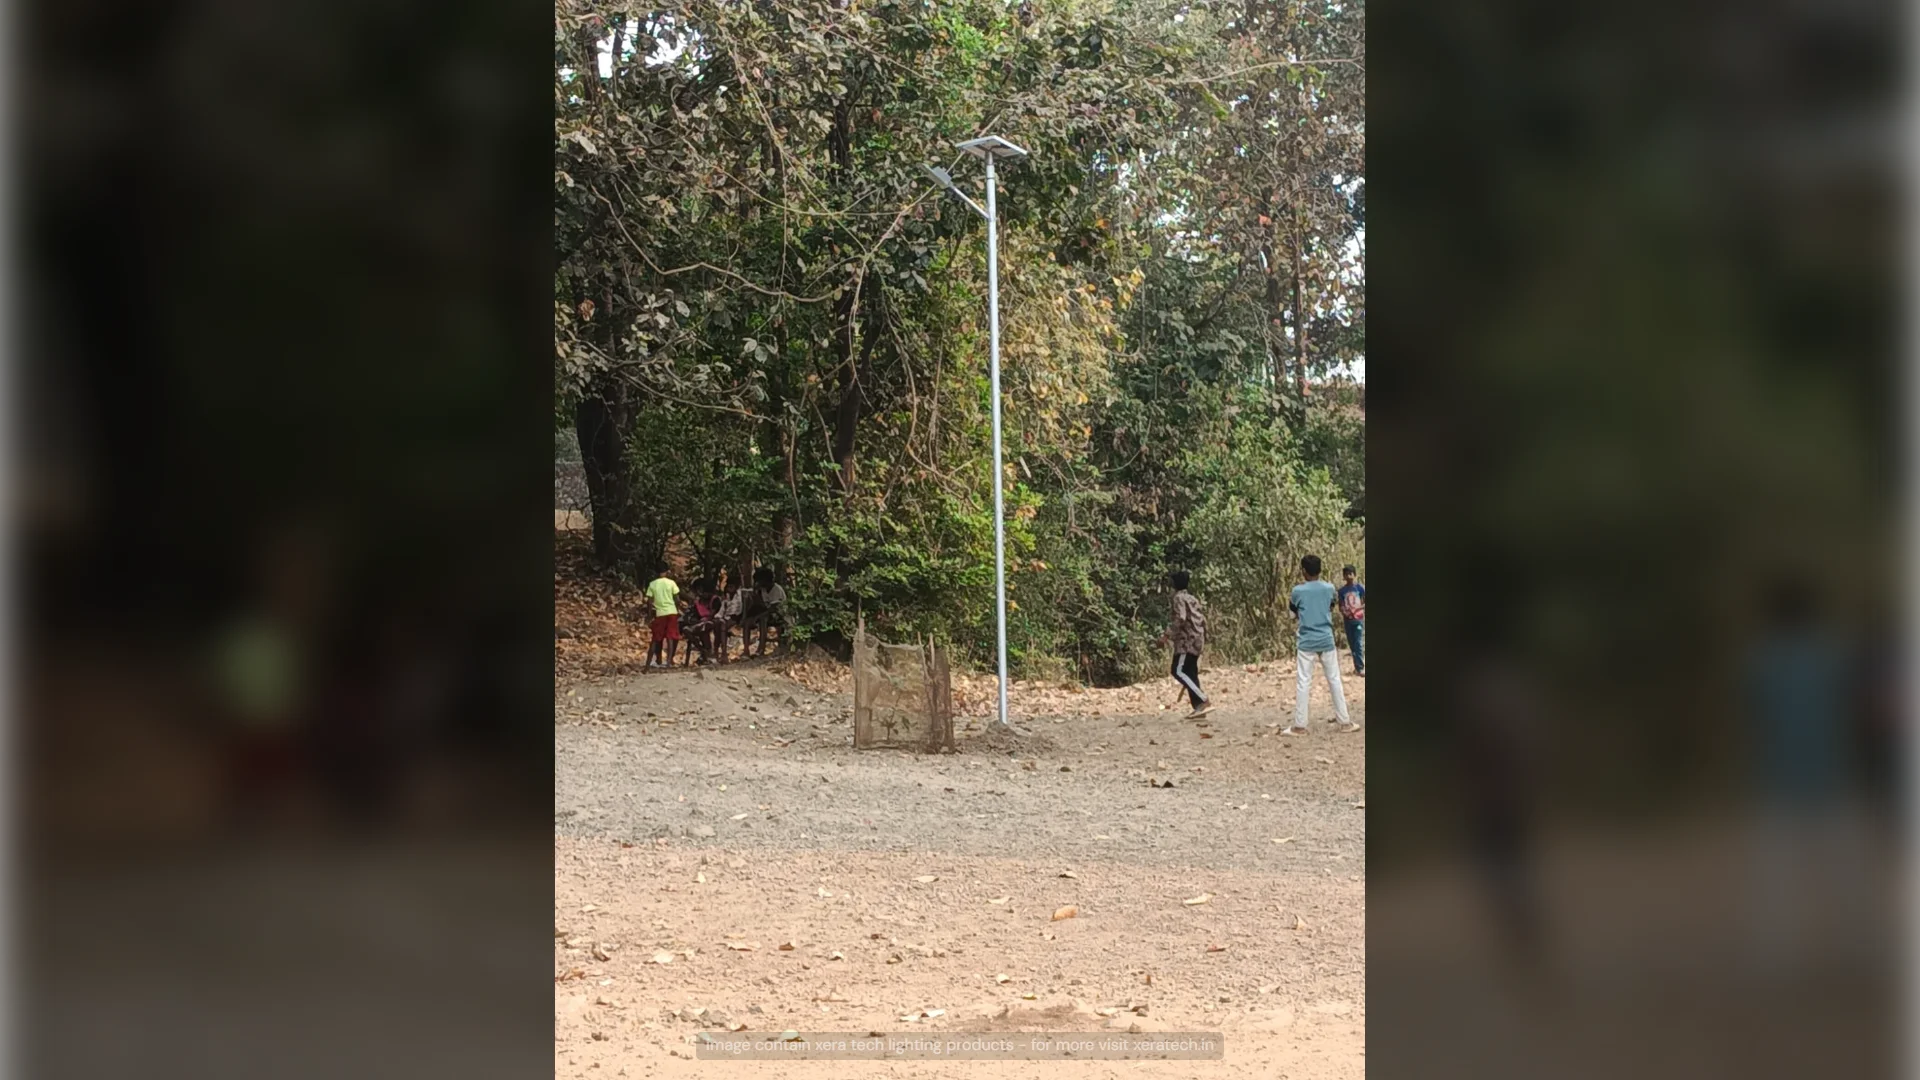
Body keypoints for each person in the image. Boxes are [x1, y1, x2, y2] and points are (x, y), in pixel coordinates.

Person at [1286, 554, 1356, 734]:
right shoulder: (1330, 588)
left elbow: (1292, 614)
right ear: (1320, 570)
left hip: (1306, 640)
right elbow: (1331, 606)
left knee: (1303, 682)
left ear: (1303, 571)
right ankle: (1345, 721)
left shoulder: (1297, 591)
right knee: (1334, 679)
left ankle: (1300, 725)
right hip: (1326, 638)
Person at [1159, 569, 1212, 718]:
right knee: (1190, 672)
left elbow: (1181, 618)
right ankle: (1199, 708)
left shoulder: (1178, 599)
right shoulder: (1192, 598)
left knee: (1178, 670)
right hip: (1197, 640)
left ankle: (1203, 699)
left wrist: (1166, 635)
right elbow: (1202, 620)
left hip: (1186, 642)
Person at [737, 566, 788, 657]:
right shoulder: (762, 590)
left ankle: (761, 648)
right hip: (765, 613)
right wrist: (755, 594)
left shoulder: (777, 590)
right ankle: (746, 650)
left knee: (762, 619)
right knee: (747, 622)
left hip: (778, 614)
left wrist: (757, 617)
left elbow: (773, 608)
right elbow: (761, 605)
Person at [643, 563, 681, 669]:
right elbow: (677, 599)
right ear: (667, 571)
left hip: (660, 613)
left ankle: (648, 663)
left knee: (656, 638)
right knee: (670, 637)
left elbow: (649, 602)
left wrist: (650, 614)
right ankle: (668, 662)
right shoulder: (671, 583)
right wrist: (676, 610)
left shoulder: (652, 584)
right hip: (672, 612)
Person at [678, 578, 721, 666]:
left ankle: (709, 652)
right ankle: (702, 650)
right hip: (699, 623)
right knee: (686, 629)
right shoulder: (697, 602)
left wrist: (703, 620)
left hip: (712, 622)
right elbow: (692, 614)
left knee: (704, 628)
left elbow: (712, 615)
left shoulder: (715, 600)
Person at [1338, 564, 1366, 676]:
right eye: (1346, 574)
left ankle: (1361, 668)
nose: (1349, 576)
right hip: (1347, 620)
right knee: (1352, 644)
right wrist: (1345, 612)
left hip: (1358, 619)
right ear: (1343, 576)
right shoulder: (1341, 591)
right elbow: (1340, 605)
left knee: (1358, 642)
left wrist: (1357, 609)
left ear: (1354, 575)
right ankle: (1356, 667)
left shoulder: (1360, 588)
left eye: (1351, 574)